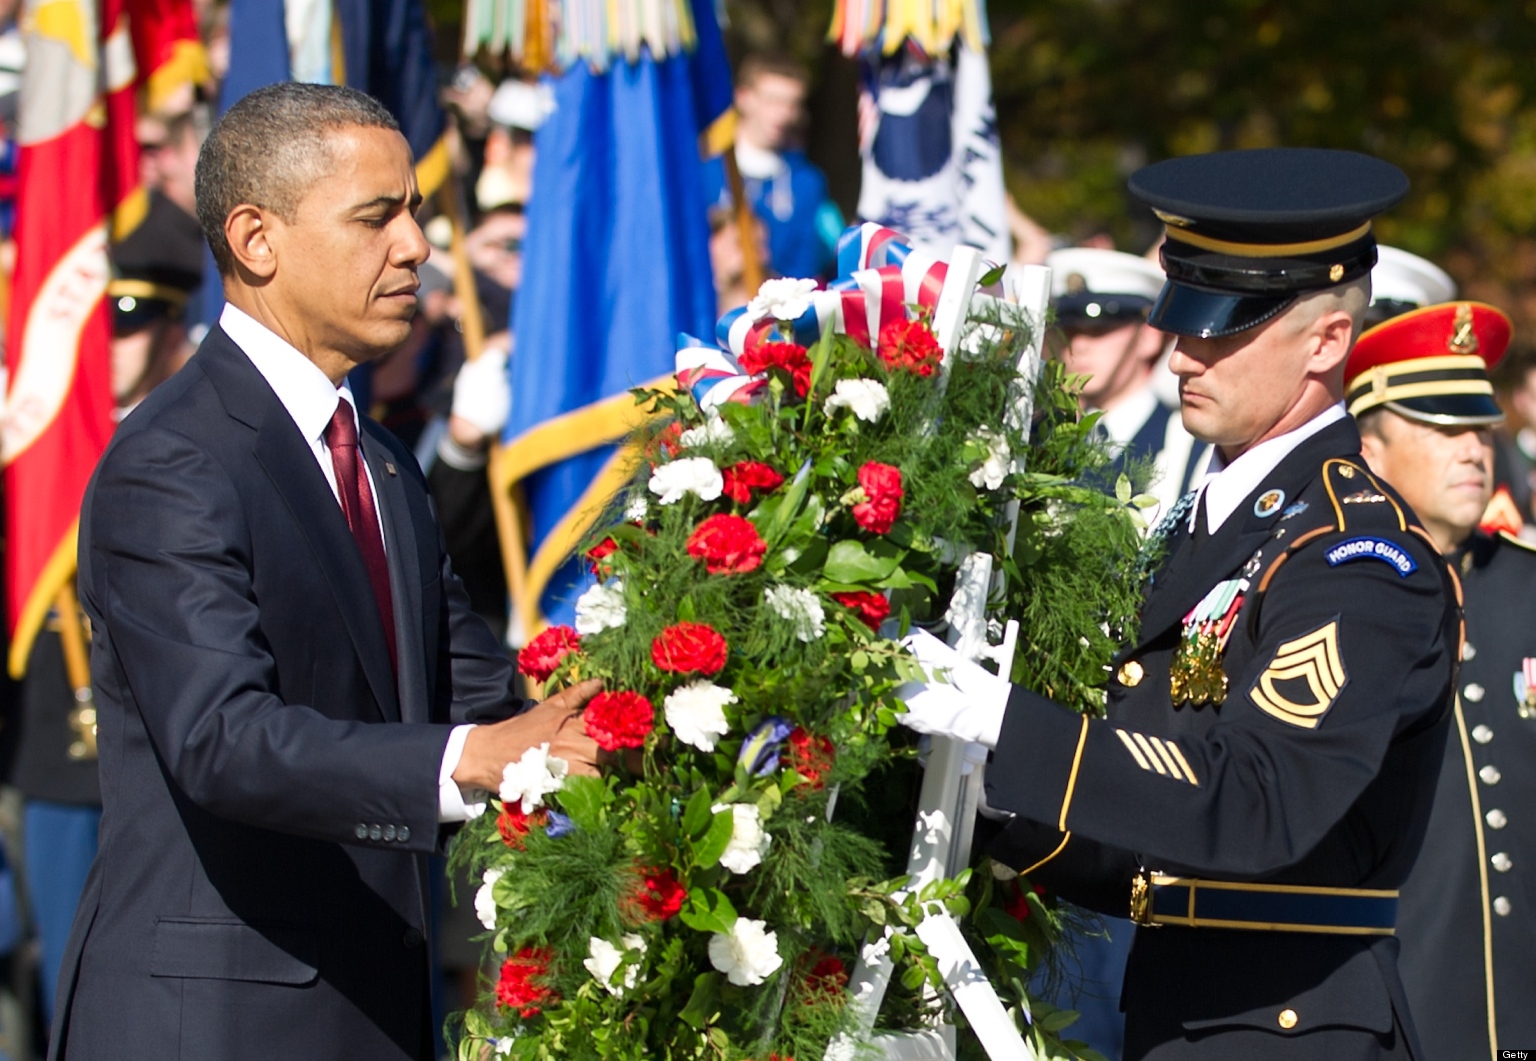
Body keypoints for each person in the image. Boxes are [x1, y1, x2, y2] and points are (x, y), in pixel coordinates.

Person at [48, 83, 602, 1061]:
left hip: (370, 1005)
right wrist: (464, 758)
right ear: (257, 240)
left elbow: (479, 687)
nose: (417, 247)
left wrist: (662, 687)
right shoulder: (172, 461)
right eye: (376, 216)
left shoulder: (378, 458)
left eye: (417, 213)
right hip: (213, 1024)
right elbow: (221, 736)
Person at [897, 148, 1459, 1060]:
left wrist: (1009, 723)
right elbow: (1152, 819)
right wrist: (975, 795)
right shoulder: (1215, 521)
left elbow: (1255, 798)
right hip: (1181, 1005)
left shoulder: (1357, 557)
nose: (1184, 348)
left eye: (1225, 326)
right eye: (1185, 317)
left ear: (1324, 342)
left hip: (1291, 1027)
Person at [12, 191, 204, 1039]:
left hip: (194, 755)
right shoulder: (38, 436)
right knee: (72, 998)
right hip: (60, 752)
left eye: (123, 319)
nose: (103, 343)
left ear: (171, 323)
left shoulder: (204, 433)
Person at [1347, 301, 1536, 1060]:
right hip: (1400, 1013)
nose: (1473, 451)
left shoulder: (1525, 586)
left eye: (1480, 428)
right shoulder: (1342, 595)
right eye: (1442, 428)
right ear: (1370, 448)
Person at [1049, 246, 1203, 519]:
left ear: (1148, 338)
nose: (1078, 345)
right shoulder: (1045, 440)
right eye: (1069, 330)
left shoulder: (1189, 446)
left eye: (1099, 330)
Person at [701, 55, 843, 281]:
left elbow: (804, 271)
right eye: (773, 100)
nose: (783, 114)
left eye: (792, 104)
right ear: (743, 97)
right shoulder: (705, 172)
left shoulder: (806, 183)